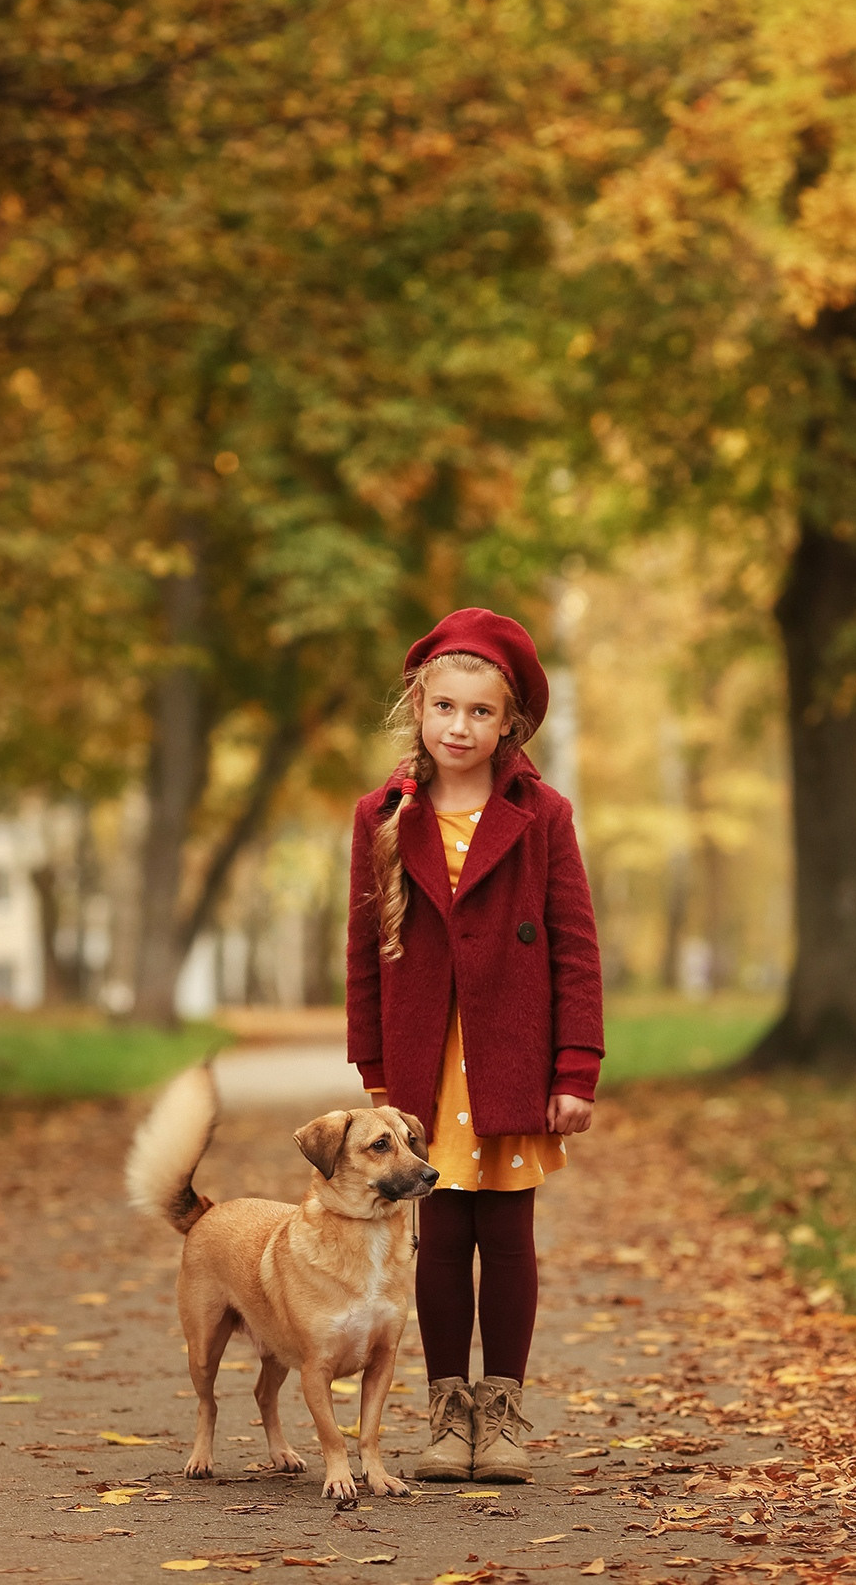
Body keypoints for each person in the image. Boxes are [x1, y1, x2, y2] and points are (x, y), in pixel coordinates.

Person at [345, 607, 604, 1485]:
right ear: (418, 708)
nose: (460, 726)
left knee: (509, 1231)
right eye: (444, 707)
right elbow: (361, 952)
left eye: (481, 712)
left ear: (511, 723)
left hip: (510, 1056)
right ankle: (446, 1417)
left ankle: (502, 1417)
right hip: (423, 1063)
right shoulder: (382, 813)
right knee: (440, 1235)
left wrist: (577, 1069)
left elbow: (575, 944)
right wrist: (375, 1072)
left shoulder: (542, 814)